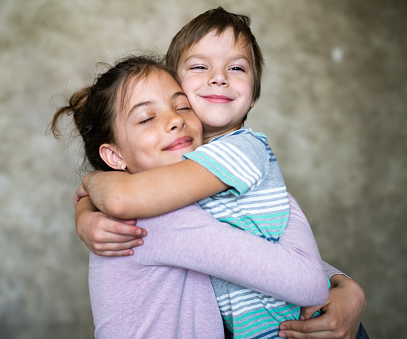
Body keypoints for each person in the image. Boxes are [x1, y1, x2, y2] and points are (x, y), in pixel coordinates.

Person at [74, 7, 368, 339]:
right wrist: (91, 193)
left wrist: (345, 286)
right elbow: (299, 275)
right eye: (146, 118)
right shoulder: (157, 213)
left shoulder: (232, 159)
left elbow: (248, 243)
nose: (218, 77)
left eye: (180, 106)